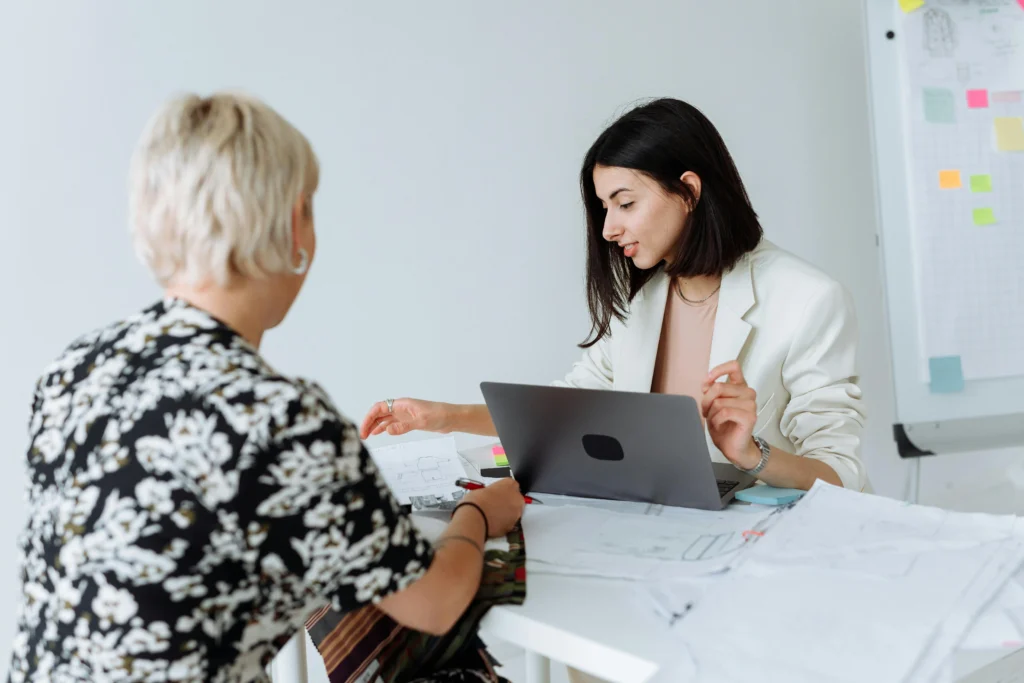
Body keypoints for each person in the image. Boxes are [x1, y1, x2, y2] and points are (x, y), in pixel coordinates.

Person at [9, 92, 523, 683]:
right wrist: (479, 511)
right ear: (293, 220)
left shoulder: (76, 369)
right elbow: (433, 603)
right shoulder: (279, 417)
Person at [361, 98, 868, 495]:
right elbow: (567, 410)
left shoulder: (808, 299)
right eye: (604, 207)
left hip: (769, 552)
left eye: (625, 203)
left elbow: (840, 475)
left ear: (689, 192)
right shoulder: (642, 301)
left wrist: (749, 454)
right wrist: (441, 417)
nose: (608, 228)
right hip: (660, 535)